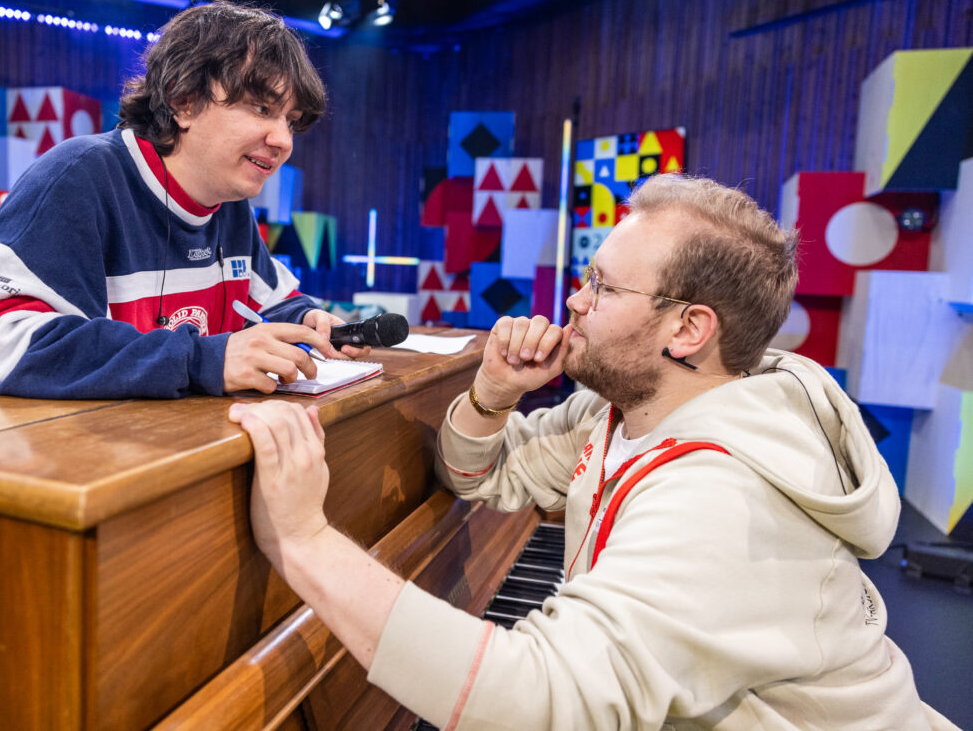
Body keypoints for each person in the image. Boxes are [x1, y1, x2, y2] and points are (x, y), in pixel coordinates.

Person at [228, 173, 958, 730]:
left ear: (689, 329)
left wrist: (305, 541)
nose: (574, 301)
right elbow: (475, 474)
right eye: (586, 276)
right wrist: (492, 393)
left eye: (603, 286)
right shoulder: (627, 411)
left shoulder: (725, 501)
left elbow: (535, 698)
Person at [0, 1, 360, 400]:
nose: (283, 140)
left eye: (292, 120)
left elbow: (274, 298)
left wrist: (310, 320)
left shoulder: (227, 202)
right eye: (262, 109)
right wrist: (200, 360)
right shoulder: (79, 176)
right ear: (183, 101)